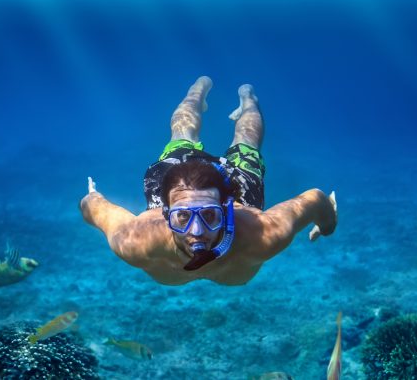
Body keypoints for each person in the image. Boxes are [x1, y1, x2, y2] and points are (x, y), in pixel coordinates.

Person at [80, 76, 337, 285]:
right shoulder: (135, 240)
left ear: (226, 209)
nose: (196, 231)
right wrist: (92, 197)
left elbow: (315, 199)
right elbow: (93, 209)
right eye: (182, 216)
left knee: (247, 140)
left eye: (209, 215)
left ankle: (249, 99)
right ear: (165, 213)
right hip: (178, 177)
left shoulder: (264, 233)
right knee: (183, 131)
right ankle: (197, 91)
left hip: (237, 185)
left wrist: (326, 228)